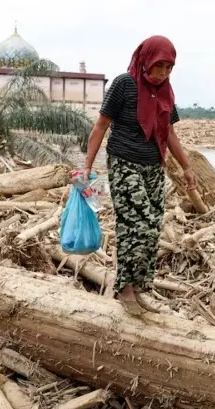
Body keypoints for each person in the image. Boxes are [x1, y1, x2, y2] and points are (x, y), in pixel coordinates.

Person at [82, 35, 197, 315]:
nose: (163, 73)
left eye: (169, 68)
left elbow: (169, 132)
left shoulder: (166, 92)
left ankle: (139, 287)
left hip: (153, 169)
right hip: (124, 164)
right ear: (146, 60)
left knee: (153, 227)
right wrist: (87, 166)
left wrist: (187, 167)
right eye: (159, 66)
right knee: (135, 224)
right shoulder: (125, 84)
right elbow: (101, 126)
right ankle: (124, 289)